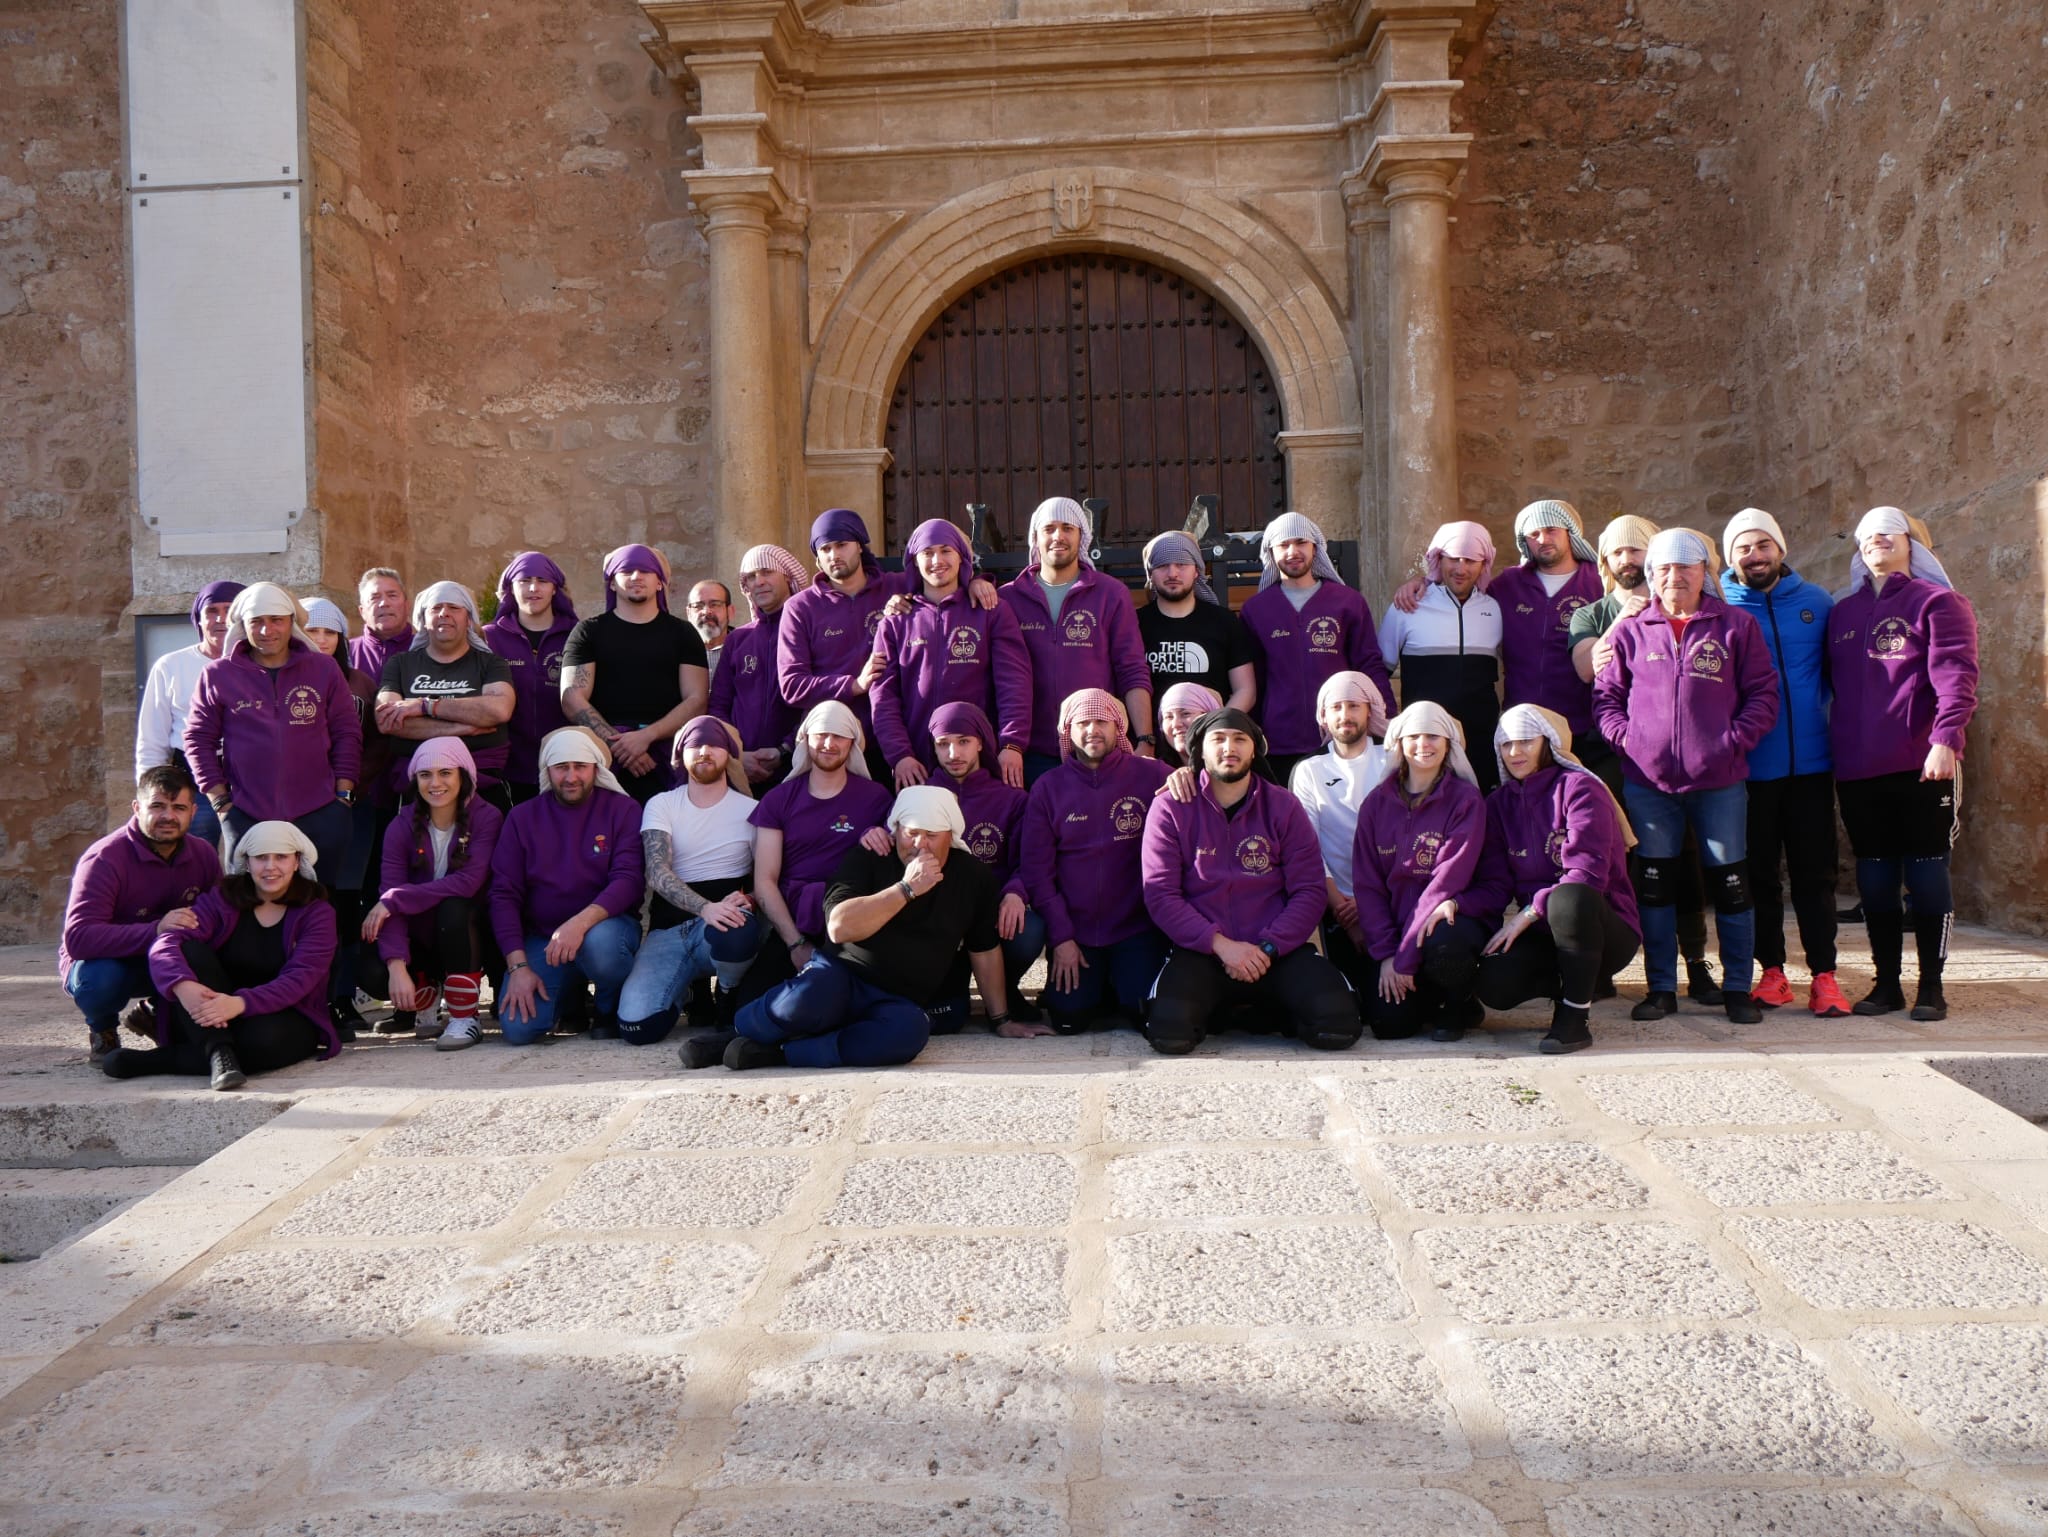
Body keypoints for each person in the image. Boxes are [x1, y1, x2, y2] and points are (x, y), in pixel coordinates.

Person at [697, 785, 1028, 1071]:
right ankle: (737, 1035)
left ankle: (779, 1053)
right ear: (895, 829)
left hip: (898, 999)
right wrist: (906, 889)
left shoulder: (973, 876)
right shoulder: (870, 856)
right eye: (911, 832)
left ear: (951, 836)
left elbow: (983, 949)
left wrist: (1000, 1020)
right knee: (806, 997)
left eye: (931, 834)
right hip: (841, 978)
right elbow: (839, 927)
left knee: (908, 1034)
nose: (919, 844)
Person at [1594, 528, 1780, 1024]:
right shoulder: (1631, 630)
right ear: (1651, 575)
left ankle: (1738, 987)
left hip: (1720, 782)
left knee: (1732, 885)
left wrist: (1731, 742)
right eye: (1664, 569)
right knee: (1655, 888)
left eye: (1685, 568)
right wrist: (1629, 741)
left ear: (1704, 572)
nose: (1674, 577)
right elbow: (1607, 698)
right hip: (1649, 785)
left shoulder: (1735, 626)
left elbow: (1763, 694)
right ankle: (1661, 989)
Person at [1828, 507, 1979, 1021]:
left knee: (1927, 869)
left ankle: (1932, 986)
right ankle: (1887, 983)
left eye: (1888, 533)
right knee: (1873, 875)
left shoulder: (1939, 602)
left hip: (1922, 762)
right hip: (1856, 768)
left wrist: (1946, 739)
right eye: (1867, 536)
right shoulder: (1841, 614)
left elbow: (1956, 676)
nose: (1877, 541)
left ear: (1915, 543)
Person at [1568, 513, 1722, 1006]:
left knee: (1686, 860)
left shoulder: (1686, 610)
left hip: (1681, 759)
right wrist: (1626, 617)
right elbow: (1589, 670)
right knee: (1617, 861)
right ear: (1605, 561)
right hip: (1612, 754)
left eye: (1638, 551)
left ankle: (1696, 964)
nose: (1627, 560)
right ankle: (1614, 961)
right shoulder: (1590, 614)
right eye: (1617, 552)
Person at [1143, 707, 1359, 1055]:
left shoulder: (1283, 806)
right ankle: (1232, 1010)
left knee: (1338, 1027)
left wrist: (1269, 947)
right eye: (1218, 739)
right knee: (1170, 1033)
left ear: (1255, 750)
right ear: (1199, 750)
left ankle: (1265, 1007)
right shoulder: (1171, 807)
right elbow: (1162, 895)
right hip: (1205, 952)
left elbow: (1309, 891)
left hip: (1274, 953)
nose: (1229, 747)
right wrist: (1222, 946)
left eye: (1240, 739)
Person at [1719, 508, 1849, 1018]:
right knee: (1759, 875)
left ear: (1781, 549)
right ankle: (1771, 972)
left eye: (1762, 545)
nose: (1755, 556)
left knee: (1816, 875)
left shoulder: (1817, 602)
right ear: (1730, 558)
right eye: (1743, 548)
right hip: (1747, 769)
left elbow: (1838, 676)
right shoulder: (1721, 606)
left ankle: (1825, 976)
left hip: (1812, 764)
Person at [101, 822, 341, 1090]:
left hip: (281, 1013)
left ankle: (158, 1061)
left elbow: (301, 978)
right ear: (247, 863)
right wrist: (182, 986)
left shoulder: (317, 913)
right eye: (261, 858)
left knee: (267, 1044)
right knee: (188, 949)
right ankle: (219, 1053)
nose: (270, 867)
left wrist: (239, 1003)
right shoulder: (222, 900)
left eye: (281, 857)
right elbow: (166, 942)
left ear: (297, 862)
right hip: (210, 1013)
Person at [183, 584, 361, 927]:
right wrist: (220, 802)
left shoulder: (323, 670)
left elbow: (347, 733)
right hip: (247, 812)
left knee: (321, 910)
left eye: (276, 620)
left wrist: (343, 796)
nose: (267, 630)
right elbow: (197, 738)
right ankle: (257, 982)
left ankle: (324, 981)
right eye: (258, 621)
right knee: (249, 912)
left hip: (320, 811)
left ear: (292, 621)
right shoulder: (218, 675)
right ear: (244, 626)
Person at [1471, 705, 1641, 1054]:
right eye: (1506, 745)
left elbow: (1588, 873)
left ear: (1547, 742)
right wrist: (1456, 907)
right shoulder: (1498, 804)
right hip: (1546, 935)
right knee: (1493, 982)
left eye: (1525, 742)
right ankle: (1578, 980)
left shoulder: (1580, 789)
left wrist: (1531, 911)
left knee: (1570, 897)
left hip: (1603, 927)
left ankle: (1574, 1017)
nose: (1515, 752)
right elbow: (1495, 882)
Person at [1019, 688, 1173, 1032]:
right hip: (1078, 933)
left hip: (1137, 928)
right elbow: (1037, 873)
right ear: (1067, 732)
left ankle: (1119, 984)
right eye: (1083, 723)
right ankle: (1098, 986)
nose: (1092, 730)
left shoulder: (1153, 775)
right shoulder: (1048, 788)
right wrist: (1061, 939)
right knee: (1068, 1021)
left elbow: (1199, 792)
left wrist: (1186, 775)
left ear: (1117, 727)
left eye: (1101, 722)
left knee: (1147, 1015)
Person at [614, 717, 767, 1047]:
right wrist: (704, 908)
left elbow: (769, 875)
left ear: (729, 753)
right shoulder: (662, 804)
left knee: (739, 934)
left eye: (714, 744)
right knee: (637, 1029)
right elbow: (657, 870)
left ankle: (727, 991)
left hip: (726, 925)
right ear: (680, 754)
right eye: (696, 745)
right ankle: (680, 990)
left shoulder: (753, 810)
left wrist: (750, 898)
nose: (705, 752)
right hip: (669, 929)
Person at [489, 727, 646, 1044]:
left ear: (595, 769)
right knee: (518, 1029)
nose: (571, 777)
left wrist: (578, 924)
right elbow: (504, 895)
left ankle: (607, 1006)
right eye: (562, 767)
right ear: (548, 771)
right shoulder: (522, 818)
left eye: (580, 767)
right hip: (545, 941)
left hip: (606, 931)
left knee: (600, 946)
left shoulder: (623, 810)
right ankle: (569, 996)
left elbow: (628, 880)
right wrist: (518, 967)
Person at [61, 765, 221, 1064]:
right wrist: (156, 928)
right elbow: (79, 938)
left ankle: (160, 1018)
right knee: (100, 981)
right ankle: (103, 1030)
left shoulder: (204, 855)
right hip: (109, 960)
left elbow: (219, 916)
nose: (168, 816)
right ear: (137, 807)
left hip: (167, 958)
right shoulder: (104, 859)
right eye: (157, 806)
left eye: (179, 807)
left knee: (216, 955)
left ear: (193, 811)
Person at [1351, 703, 1493, 1040]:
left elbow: (1445, 883)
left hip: (1444, 925)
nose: (1423, 744)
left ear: (1448, 745)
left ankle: (1457, 1001)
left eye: (1433, 736)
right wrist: (1387, 954)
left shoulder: (1466, 801)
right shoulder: (1375, 804)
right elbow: (1368, 886)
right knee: (1389, 1026)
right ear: (1399, 743)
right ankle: (1427, 995)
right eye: (1414, 736)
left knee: (1446, 939)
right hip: (1396, 934)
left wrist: (1404, 957)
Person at [745, 700, 896, 996]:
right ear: (805, 740)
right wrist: (795, 944)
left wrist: (882, 836)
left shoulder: (877, 798)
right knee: (750, 1003)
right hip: (794, 921)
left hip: (852, 921)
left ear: (853, 742)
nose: (828, 743)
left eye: (839, 735)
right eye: (821, 735)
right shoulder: (779, 799)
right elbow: (764, 881)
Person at [362, 738, 504, 1050]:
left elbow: (468, 883)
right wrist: (396, 966)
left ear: (463, 775)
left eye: (445, 773)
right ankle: (423, 991)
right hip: (421, 932)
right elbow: (389, 898)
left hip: (470, 931)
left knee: (454, 908)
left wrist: (397, 898)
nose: (435, 783)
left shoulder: (487, 816)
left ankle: (464, 1016)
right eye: (425, 775)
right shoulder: (400, 825)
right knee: (373, 967)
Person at [870, 517, 1032, 790]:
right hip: (917, 767)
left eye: (946, 550)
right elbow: (883, 696)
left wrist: (1012, 744)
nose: (937, 560)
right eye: (928, 553)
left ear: (962, 558)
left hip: (982, 763)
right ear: (914, 561)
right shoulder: (895, 621)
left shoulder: (991, 611)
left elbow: (1013, 682)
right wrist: (900, 756)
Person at [999, 497, 1154, 781]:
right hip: (1029, 753)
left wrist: (1145, 739)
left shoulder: (1111, 594)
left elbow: (1131, 669)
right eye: (1049, 528)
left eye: (1068, 528)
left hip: (1095, 750)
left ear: (1082, 536)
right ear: (1035, 537)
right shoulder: (1006, 598)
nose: (1058, 536)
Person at [1239, 511, 1392, 785]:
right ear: (1271, 552)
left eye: (1300, 542)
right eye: (1283, 545)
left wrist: (1388, 718)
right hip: (1278, 742)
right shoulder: (1256, 610)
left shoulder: (1348, 602)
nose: (1292, 551)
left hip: (1340, 738)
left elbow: (1368, 664)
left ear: (1315, 547)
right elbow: (1253, 679)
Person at [560, 543, 710, 804]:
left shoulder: (684, 634)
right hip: (604, 758)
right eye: (626, 570)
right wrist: (620, 745)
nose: (636, 577)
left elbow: (696, 699)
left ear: (660, 582)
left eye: (645, 570)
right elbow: (572, 697)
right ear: (613, 583)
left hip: (665, 758)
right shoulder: (588, 632)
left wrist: (646, 736)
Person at [928, 701, 1045, 1024]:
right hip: (939, 920)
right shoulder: (921, 795)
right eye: (943, 743)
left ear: (981, 742)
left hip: (993, 915)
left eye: (963, 741)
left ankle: (1005, 989)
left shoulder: (1013, 799)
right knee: (948, 1020)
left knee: (1030, 929)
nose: (954, 753)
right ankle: (953, 986)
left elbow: (1030, 860)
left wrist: (1015, 893)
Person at [303, 595, 383, 1034]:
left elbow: (375, 745)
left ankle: (342, 997)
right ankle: (306, 997)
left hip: (352, 809)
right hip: (297, 810)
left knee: (345, 906)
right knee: (305, 903)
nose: (319, 639)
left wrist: (349, 787)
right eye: (311, 630)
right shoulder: (278, 680)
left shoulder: (360, 684)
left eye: (328, 631)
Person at [1376, 522, 1504, 791]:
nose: (1460, 568)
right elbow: (1378, 672)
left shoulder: (1495, 609)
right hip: (1424, 743)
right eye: (1452, 558)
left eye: (1470, 560)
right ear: (1437, 559)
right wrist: (1387, 725)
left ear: (1484, 563)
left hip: (1481, 743)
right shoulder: (1407, 606)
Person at [1289, 671, 1390, 1004]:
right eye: (1336, 708)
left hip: (1391, 902)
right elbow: (1309, 849)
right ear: (1324, 716)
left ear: (1369, 710)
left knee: (1389, 1010)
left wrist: (1371, 905)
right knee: (1354, 1002)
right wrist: (1343, 911)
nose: (1344, 715)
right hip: (1339, 907)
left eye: (1353, 706)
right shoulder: (1309, 770)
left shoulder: (1391, 760)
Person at [375, 581, 516, 808]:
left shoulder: (491, 663)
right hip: (417, 787)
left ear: (468, 619)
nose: (444, 614)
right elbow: (387, 721)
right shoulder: (400, 664)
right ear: (423, 618)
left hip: (483, 788)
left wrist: (424, 706)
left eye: (454, 607)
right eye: (436, 608)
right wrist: (462, 729)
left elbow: (498, 709)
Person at [135, 579, 244, 849]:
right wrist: (152, 796)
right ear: (199, 618)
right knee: (192, 859)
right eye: (211, 611)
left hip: (249, 782)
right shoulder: (171, 666)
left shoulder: (258, 668)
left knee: (251, 862)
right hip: (193, 784)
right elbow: (152, 740)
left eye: (229, 610)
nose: (220, 619)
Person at [1489, 500, 1604, 740]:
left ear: (1570, 533)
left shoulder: (1600, 582)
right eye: (1534, 534)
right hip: (1522, 726)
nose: (1542, 539)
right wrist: (1421, 584)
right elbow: (1465, 594)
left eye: (1551, 530)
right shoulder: (1508, 584)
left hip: (1583, 727)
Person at [710, 543, 809, 790]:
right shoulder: (737, 639)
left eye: (767, 572)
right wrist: (737, 754)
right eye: (750, 577)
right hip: (739, 772)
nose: (758, 582)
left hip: (798, 770)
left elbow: (817, 701)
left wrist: (785, 749)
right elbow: (719, 704)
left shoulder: (809, 632)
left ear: (788, 577)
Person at [484, 552, 578, 805]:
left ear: (554, 589)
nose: (533, 588)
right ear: (510, 589)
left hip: (564, 767)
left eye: (542, 581)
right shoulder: (488, 638)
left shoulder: (577, 636)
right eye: (524, 580)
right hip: (506, 770)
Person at [1137, 528, 1256, 711]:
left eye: (1181, 565)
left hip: (1210, 735)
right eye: (1162, 566)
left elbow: (1245, 690)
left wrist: (1218, 727)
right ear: (1150, 574)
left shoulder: (1224, 621)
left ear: (1196, 571)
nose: (1172, 574)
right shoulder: (1135, 624)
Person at [1156, 681, 1223, 770]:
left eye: (1186, 714)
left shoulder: (1230, 768)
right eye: (1169, 717)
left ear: (1210, 718)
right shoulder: (1153, 772)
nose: (1176, 724)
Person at [687, 579, 734, 676]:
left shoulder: (745, 649)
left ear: (730, 611)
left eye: (715, 605)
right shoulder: (677, 651)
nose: (706, 611)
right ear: (688, 613)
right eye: (698, 606)